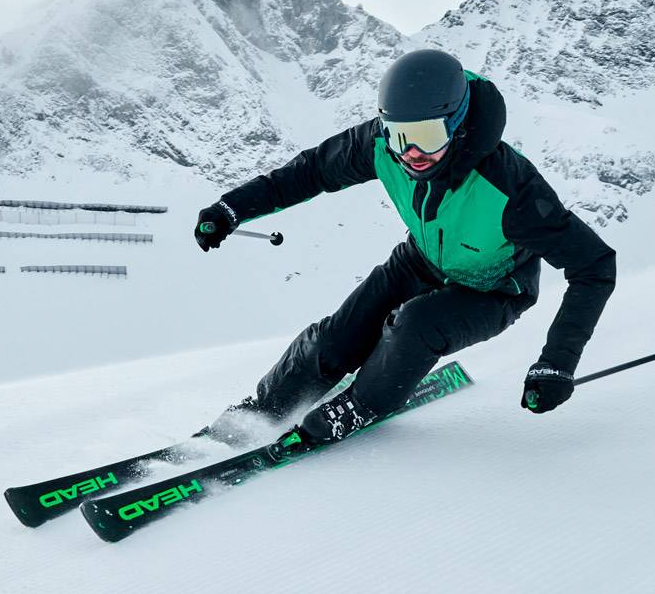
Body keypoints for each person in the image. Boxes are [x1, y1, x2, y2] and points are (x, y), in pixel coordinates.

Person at [193, 49, 616, 445]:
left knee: (414, 324)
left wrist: (557, 362)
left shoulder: (512, 189)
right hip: (420, 261)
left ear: (458, 121)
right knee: (335, 340)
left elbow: (594, 267)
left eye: (428, 136)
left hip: (493, 290)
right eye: (400, 136)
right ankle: (263, 411)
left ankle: (356, 407)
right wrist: (233, 208)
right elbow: (311, 173)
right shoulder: (380, 147)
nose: (412, 153)